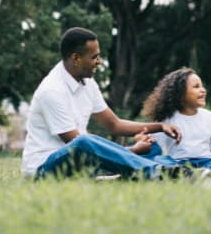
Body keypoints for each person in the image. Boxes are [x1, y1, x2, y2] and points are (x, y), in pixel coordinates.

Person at [21, 27, 182, 180]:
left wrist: (160, 127)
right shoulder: (51, 91)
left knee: (152, 147)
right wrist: (133, 150)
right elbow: (79, 146)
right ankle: (155, 172)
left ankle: (179, 170)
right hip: (45, 169)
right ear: (76, 58)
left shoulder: (87, 83)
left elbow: (115, 125)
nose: (99, 61)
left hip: (81, 161)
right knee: (83, 141)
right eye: (94, 57)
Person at [140, 68, 211, 174]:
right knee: (160, 160)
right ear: (180, 94)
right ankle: (196, 173)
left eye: (202, 86)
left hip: (206, 162)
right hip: (178, 163)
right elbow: (155, 148)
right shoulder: (167, 119)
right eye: (196, 87)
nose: (203, 90)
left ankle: (201, 172)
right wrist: (144, 140)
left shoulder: (209, 117)